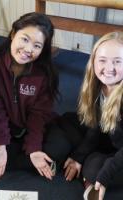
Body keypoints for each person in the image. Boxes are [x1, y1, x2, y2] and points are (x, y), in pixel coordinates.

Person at [0, 12, 70, 182]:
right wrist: (1, 146)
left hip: (37, 127)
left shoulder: (46, 72)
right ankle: (20, 160)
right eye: (25, 39)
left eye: (37, 46)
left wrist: (34, 148)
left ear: (43, 49)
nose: (28, 50)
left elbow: (40, 115)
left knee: (61, 146)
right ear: (13, 33)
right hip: (7, 125)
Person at [60, 32, 123, 200]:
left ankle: (92, 178)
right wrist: (78, 156)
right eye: (102, 60)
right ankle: (90, 165)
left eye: (117, 61)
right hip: (112, 138)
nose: (109, 68)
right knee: (67, 119)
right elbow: (95, 125)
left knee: (94, 169)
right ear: (93, 61)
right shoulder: (98, 86)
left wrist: (105, 173)